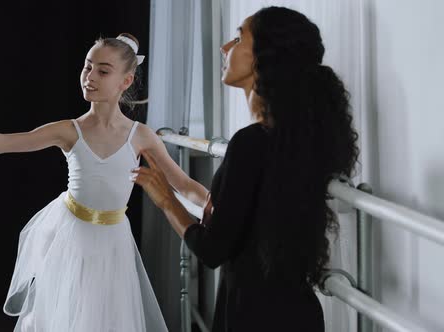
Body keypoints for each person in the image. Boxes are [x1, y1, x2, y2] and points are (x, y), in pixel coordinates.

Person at [0, 33, 208, 332]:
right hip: (71, 237)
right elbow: (4, 143)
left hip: (113, 243)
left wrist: (217, 205)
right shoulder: (69, 130)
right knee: (66, 315)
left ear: (125, 82)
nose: (90, 76)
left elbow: (183, 184)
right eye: (87, 66)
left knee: (106, 318)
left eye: (103, 70)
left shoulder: (141, 135)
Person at [132, 7, 360, 332]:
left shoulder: (251, 143)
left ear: (263, 58)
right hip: (298, 314)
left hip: (252, 317)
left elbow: (212, 250)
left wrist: (165, 199)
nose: (225, 47)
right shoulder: (293, 142)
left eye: (238, 38)